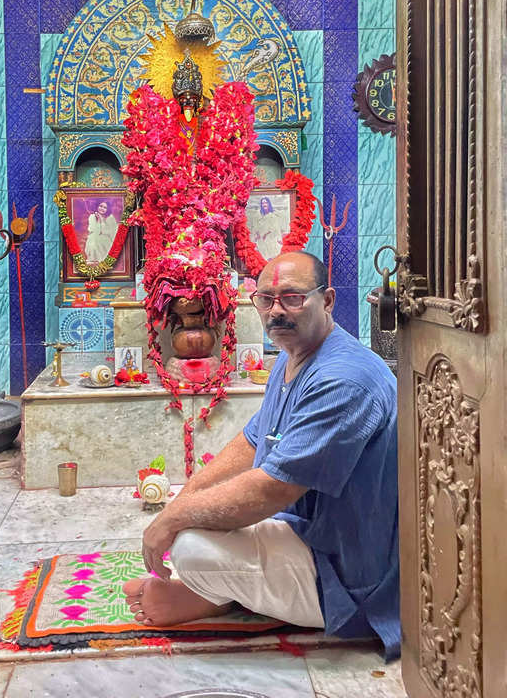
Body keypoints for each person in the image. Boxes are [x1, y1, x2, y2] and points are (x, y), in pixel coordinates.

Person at [123, 251, 400, 660]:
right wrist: (184, 501)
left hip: (349, 574)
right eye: (266, 299)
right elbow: (252, 442)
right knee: (197, 517)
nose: (276, 311)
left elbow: (273, 489)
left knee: (190, 548)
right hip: (310, 532)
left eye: (291, 297)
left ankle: (218, 599)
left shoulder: (344, 380)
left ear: (327, 301)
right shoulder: (293, 359)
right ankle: (223, 592)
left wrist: (175, 517)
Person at [249, 195, 286, 260]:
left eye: (266, 203)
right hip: (261, 240)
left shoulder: (273, 216)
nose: (264, 204)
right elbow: (255, 228)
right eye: (263, 203)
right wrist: (257, 235)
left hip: (271, 239)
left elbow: (275, 229)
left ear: (269, 204)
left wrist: (266, 234)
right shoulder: (258, 216)